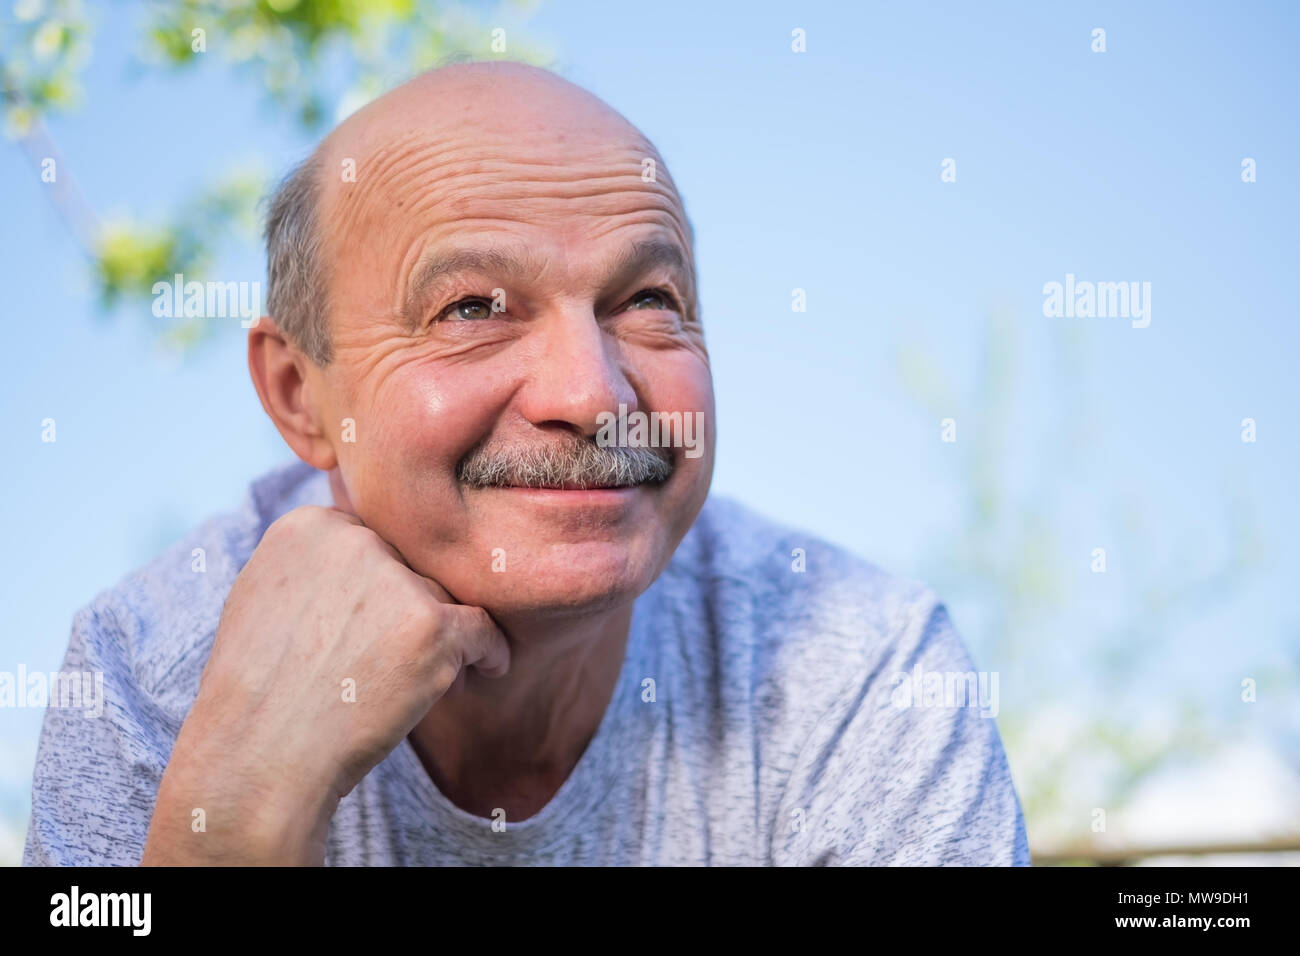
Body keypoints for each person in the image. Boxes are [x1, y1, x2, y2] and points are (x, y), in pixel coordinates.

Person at [24, 62, 1030, 866]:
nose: (593, 394)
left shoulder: (857, 668)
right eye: (471, 308)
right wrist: (233, 824)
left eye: (645, 300)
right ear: (300, 395)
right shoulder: (149, 674)